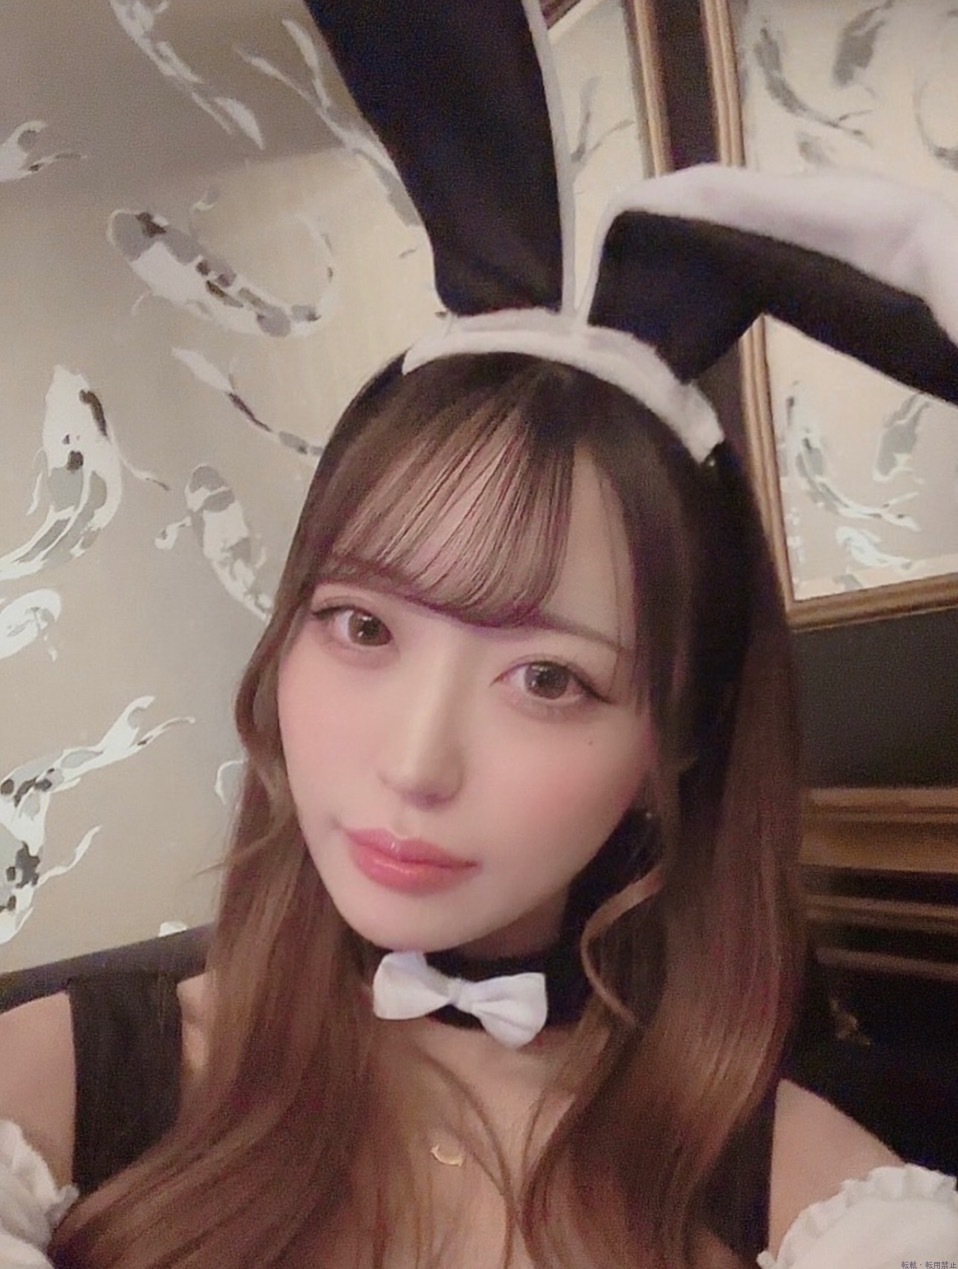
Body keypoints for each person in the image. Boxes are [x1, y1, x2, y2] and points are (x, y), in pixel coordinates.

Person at [3, 0, 958, 1265]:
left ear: (674, 742)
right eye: (361, 625)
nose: (415, 761)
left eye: (548, 679)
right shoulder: (62, 1084)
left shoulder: (802, 1188)